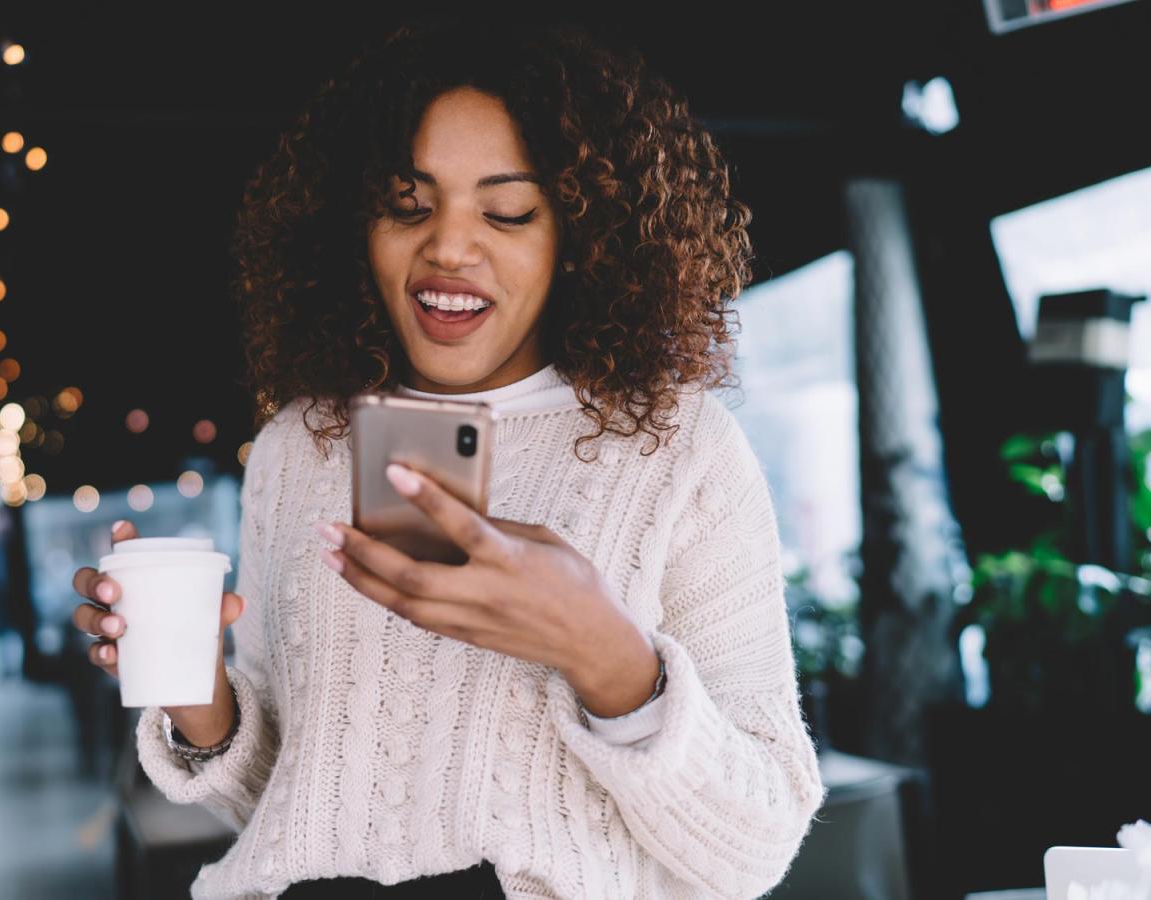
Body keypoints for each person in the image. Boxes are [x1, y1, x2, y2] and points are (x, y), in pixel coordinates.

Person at [73, 17, 825, 899]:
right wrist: (200, 701)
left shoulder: (675, 448)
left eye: (507, 211)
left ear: (583, 235)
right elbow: (289, 805)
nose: (449, 246)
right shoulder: (301, 446)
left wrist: (610, 661)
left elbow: (757, 845)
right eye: (408, 203)